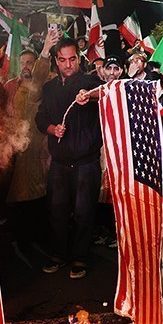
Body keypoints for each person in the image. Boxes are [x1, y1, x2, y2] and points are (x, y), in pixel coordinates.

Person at [35, 38, 103, 279]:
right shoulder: (49, 88)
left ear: (79, 58)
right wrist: (53, 129)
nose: (68, 64)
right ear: (56, 60)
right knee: (57, 211)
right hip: (60, 162)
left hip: (86, 161)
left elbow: (105, 94)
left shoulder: (90, 82)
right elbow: (40, 118)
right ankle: (58, 254)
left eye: (72, 59)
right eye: (62, 60)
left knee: (84, 212)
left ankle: (80, 257)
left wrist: (90, 96)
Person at [4, 41, 54, 249]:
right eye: (23, 62)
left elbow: (41, 74)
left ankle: (36, 237)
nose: (26, 66)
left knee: (36, 191)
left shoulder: (41, 85)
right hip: (12, 147)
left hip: (36, 146)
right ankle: (19, 236)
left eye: (30, 63)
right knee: (14, 192)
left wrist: (46, 50)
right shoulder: (10, 86)